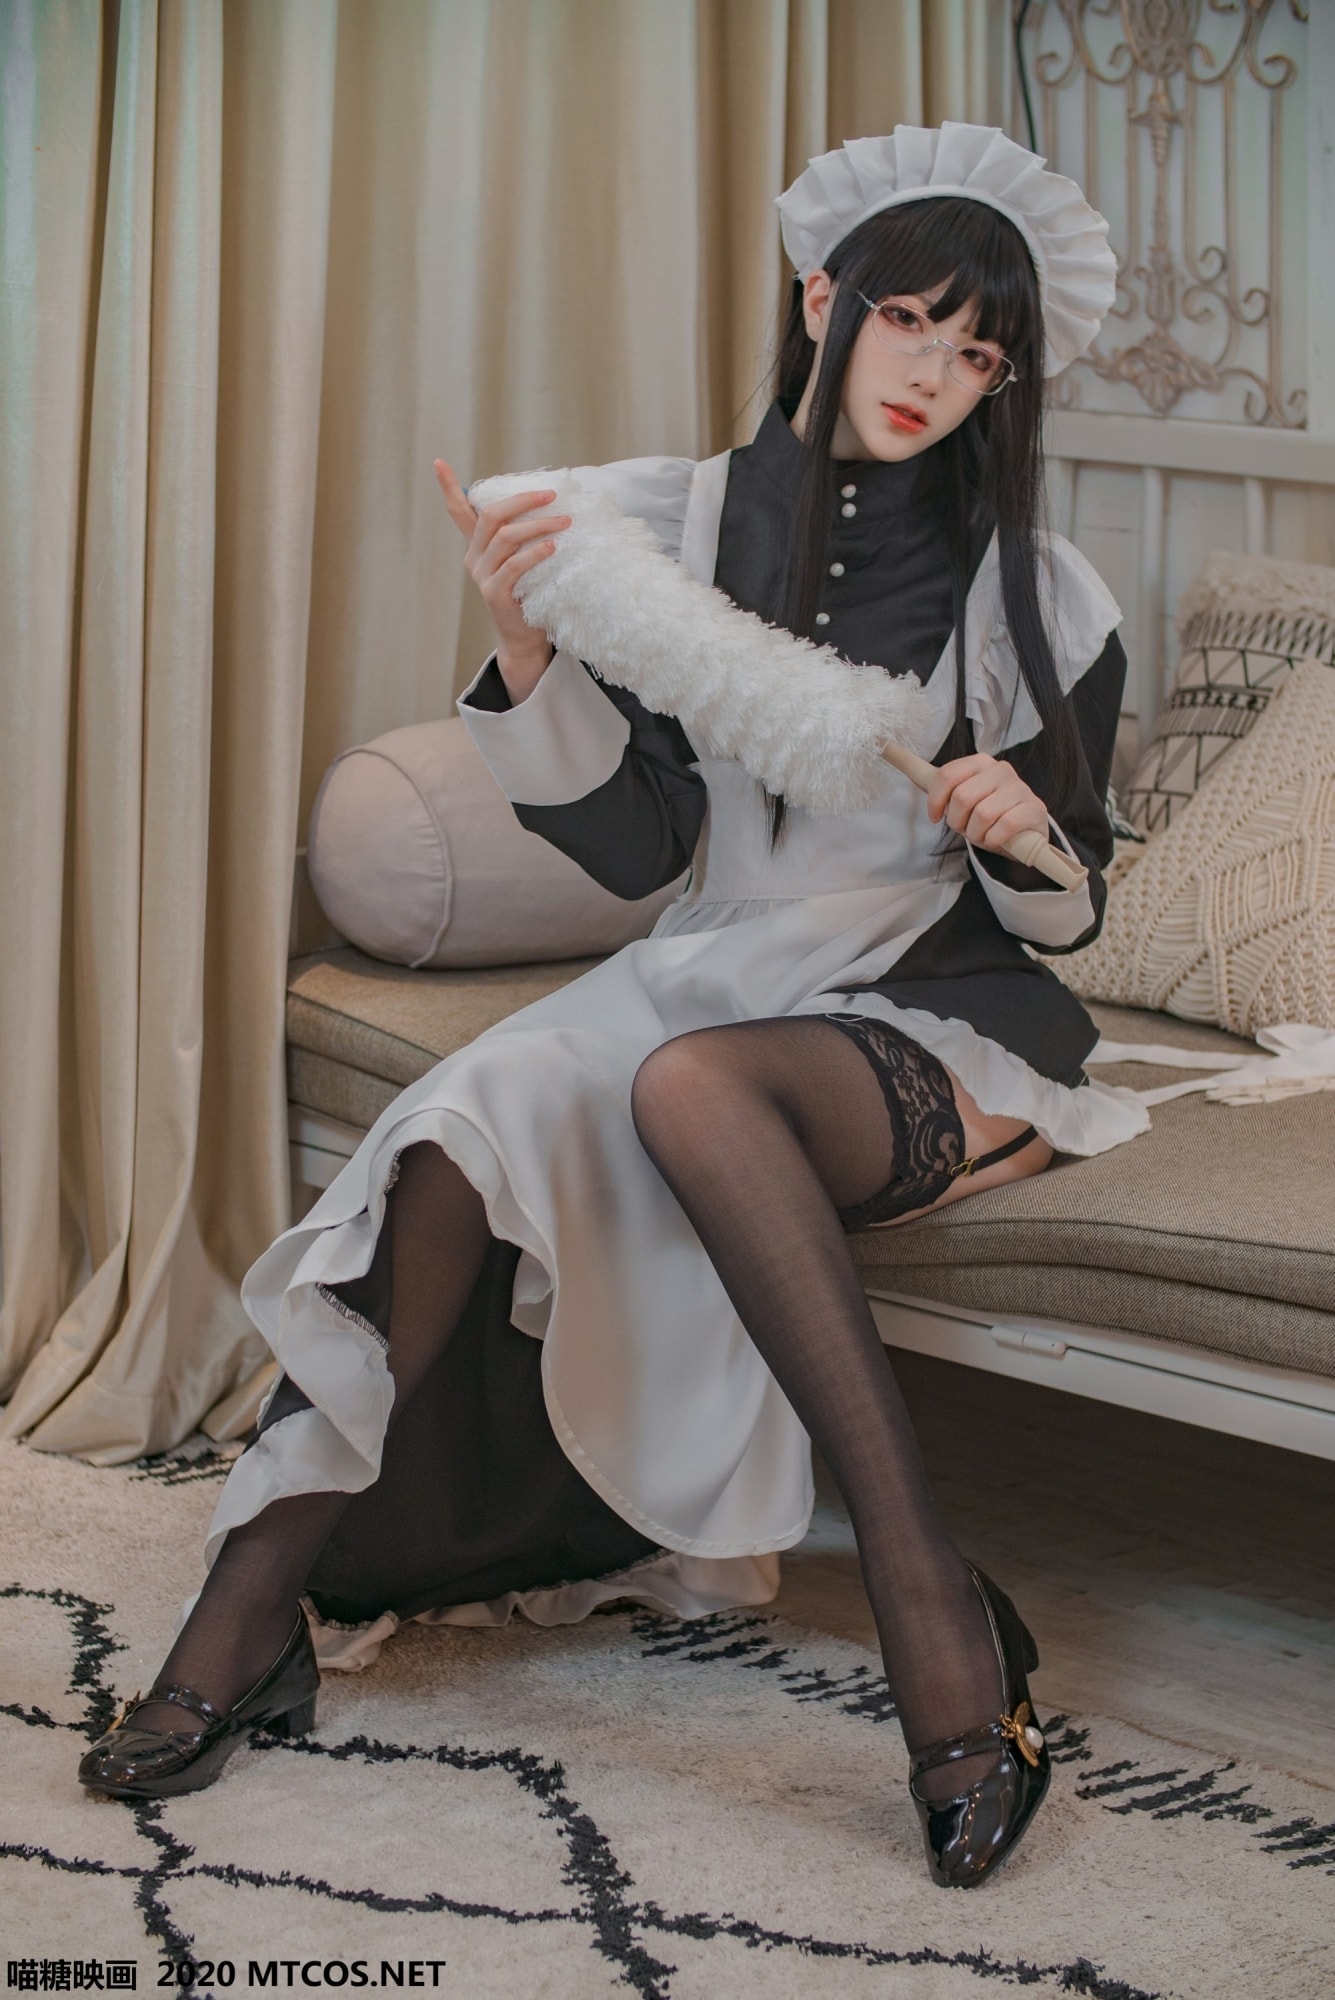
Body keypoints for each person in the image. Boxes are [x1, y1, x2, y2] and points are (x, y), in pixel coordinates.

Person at [79, 123, 1140, 1889]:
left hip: (931, 1006)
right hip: (707, 959)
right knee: (455, 1121)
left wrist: (1018, 825)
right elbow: (643, 843)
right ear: (824, 300)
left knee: (694, 1089)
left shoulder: (1038, 587)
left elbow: (1074, 912)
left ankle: (929, 1610)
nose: (932, 376)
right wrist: (525, 650)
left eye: (977, 355)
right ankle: (245, 1622)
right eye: (908, 323)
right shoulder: (680, 525)